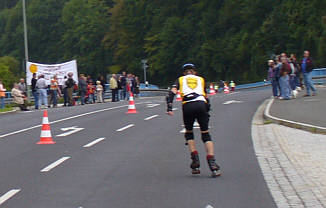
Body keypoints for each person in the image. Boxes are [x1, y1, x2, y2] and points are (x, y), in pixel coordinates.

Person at [166, 63, 221, 177]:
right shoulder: (200, 79)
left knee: (189, 133)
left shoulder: (180, 80)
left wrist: (169, 107)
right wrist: (207, 109)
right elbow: (206, 96)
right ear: (194, 72)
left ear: (184, 73)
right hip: (201, 104)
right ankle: (213, 164)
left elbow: (172, 93)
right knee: (205, 133)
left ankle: (195, 161)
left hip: (188, 106)